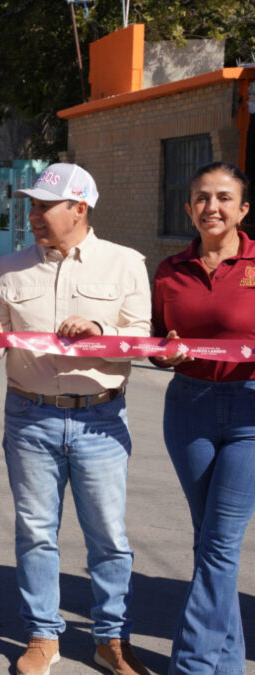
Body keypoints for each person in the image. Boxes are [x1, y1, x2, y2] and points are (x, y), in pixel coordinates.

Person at [0, 163, 152, 675]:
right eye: (31, 205)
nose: (33, 215)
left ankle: (111, 638)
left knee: (109, 538)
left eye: (44, 205)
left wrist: (97, 327)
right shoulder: (10, 267)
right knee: (35, 532)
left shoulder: (125, 263)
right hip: (29, 416)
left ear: (79, 207)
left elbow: (141, 335)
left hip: (100, 419)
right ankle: (41, 634)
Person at [151, 162, 255, 674]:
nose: (210, 206)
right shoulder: (170, 269)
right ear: (189, 207)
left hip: (251, 413)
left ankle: (191, 665)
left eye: (222, 197)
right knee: (209, 540)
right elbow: (152, 340)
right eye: (200, 198)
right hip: (188, 407)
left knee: (218, 543)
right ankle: (228, 665)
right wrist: (162, 354)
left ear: (242, 209)